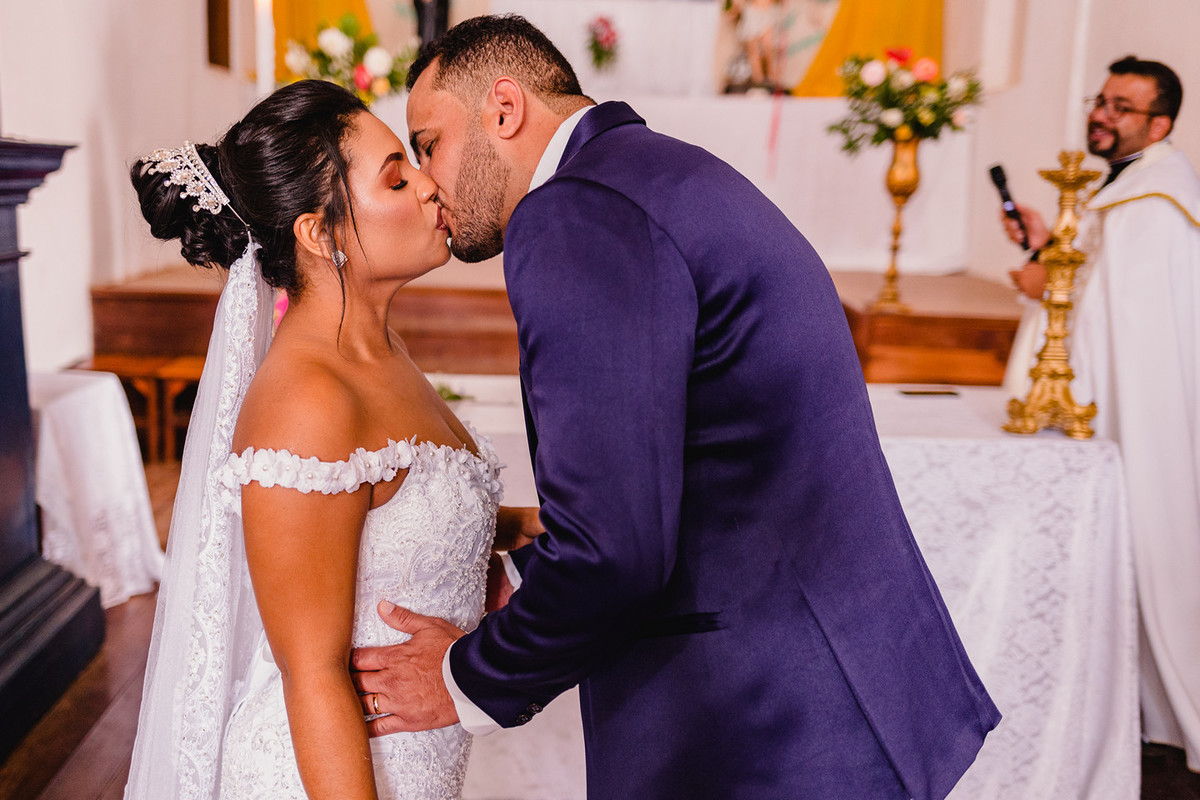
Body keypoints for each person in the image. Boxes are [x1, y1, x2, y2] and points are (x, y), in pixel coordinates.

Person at [349, 14, 1001, 800]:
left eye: (429, 144)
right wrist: (521, 581)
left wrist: (460, 681)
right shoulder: (655, 173)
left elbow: (615, 550)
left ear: (504, 109)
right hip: (835, 674)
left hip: (765, 720)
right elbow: (696, 461)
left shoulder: (574, 213)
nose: (425, 181)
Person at [123, 79, 540, 799]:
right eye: (396, 177)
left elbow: (388, 521)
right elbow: (311, 671)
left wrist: (522, 531)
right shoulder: (308, 401)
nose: (431, 187)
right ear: (318, 233)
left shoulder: (378, 351)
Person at [1000, 55, 1200, 772]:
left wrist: (1047, 271)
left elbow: (1124, 327)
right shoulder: (1123, 190)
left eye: (1121, 107)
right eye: (1101, 101)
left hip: (1123, 412)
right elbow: (1079, 290)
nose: (1103, 115)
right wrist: (1043, 250)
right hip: (1090, 400)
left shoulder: (1156, 205)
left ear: (1160, 124)